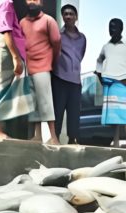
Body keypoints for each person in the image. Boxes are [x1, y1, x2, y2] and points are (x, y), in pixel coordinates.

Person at [0, 0, 32, 140]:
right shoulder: (5, 2)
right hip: (4, 46)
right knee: (1, 89)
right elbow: (6, 30)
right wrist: (16, 57)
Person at [96, 18, 126, 148]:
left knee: (125, 113)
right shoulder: (105, 46)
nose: (112, 30)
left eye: (115, 27)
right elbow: (99, 60)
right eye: (110, 27)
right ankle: (116, 142)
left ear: (121, 29)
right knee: (114, 115)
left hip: (123, 83)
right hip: (110, 84)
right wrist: (100, 75)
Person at [20, 0, 61, 145]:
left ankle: (53, 137)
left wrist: (51, 61)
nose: (32, 1)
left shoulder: (48, 20)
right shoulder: (22, 22)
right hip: (28, 68)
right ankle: (37, 136)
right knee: (33, 103)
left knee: (46, 102)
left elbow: (56, 42)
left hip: (43, 66)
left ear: (42, 3)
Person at [52, 4, 86, 145]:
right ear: (62, 17)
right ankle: (56, 139)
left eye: (71, 14)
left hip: (75, 81)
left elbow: (81, 55)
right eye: (65, 14)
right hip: (60, 78)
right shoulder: (57, 36)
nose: (68, 16)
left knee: (74, 113)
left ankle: (73, 140)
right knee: (58, 111)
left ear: (76, 17)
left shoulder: (82, 38)